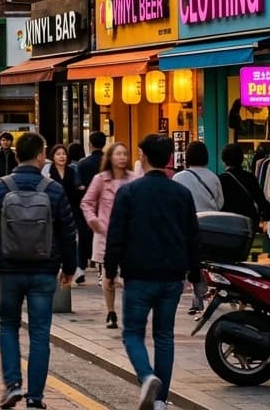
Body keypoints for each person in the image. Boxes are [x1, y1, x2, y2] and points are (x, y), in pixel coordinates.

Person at [0, 132, 77, 410]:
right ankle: (35, 398)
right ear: (40, 156)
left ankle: (13, 385)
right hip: (44, 271)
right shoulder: (53, 190)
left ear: (16, 155)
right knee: (40, 333)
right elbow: (68, 232)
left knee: (8, 326)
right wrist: (69, 267)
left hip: (9, 270)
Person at [104, 134, 201, 410]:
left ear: (142, 156)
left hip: (139, 275)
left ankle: (147, 376)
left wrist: (110, 270)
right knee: (164, 337)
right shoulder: (181, 193)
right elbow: (193, 236)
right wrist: (195, 274)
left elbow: (116, 236)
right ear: (169, 159)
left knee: (133, 333)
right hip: (172, 276)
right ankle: (160, 401)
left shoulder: (129, 192)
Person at [81, 141, 135, 329]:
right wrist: (94, 221)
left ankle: (129, 312)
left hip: (129, 235)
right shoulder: (100, 179)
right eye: (118, 154)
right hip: (106, 233)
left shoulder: (133, 179)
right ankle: (111, 311)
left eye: (125, 154)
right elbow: (87, 202)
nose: (122, 157)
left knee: (129, 275)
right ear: (110, 157)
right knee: (108, 275)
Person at [172, 140, 222, 315]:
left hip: (187, 227)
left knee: (188, 264)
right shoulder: (214, 177)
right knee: (203, 263)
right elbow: (220, 203)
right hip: (211, 227)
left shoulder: (178, 178)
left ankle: (195, 299)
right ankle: (200, 299)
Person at [219, 143, 270, 261]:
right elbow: (262, 202)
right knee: (243, 256)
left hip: (227, 225)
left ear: (224, 160)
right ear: (242, 159)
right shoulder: (250, 178)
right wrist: (265, 219)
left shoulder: (221, 180)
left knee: (228, 257)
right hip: (247, 224)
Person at [74, 131, 106, 284]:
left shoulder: (82, 164)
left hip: (86, 205)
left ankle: (81, 268)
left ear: (90, 144)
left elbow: (78, 185)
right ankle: (101, 272)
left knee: (83, 236)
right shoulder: (108, 162)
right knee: (102, 238)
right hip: (104, 205)